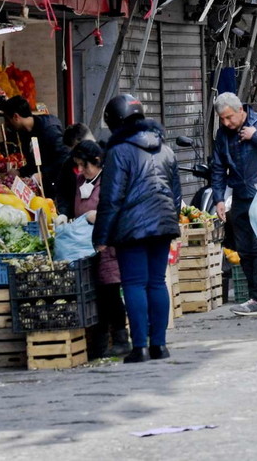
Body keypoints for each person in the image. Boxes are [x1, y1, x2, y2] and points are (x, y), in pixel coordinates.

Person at [93, 95, 182, 364]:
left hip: (131, 228)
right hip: (164, 225)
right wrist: (170, 221)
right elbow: (176, 195)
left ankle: (140, 347)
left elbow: (111, 198)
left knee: (134, 284)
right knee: (156, 282)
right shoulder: (165, 149)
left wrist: (102, 236)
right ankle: (160, 345)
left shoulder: (119, 151)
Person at [63, 140, 129, 359]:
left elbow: (117, 211)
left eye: (85, 165)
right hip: (84, 248)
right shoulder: (80, 181)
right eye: (78, 166)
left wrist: (98, 219)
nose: (81, 170)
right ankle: (98, 345)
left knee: (110, 294)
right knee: (96, 297)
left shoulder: (109, 180)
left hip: (106, 247)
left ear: (97, 161)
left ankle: (121, 339)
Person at [210, 92, 257, 317]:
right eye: (223, 119)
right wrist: (218, 198)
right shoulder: (223, 134)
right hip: (238, 194)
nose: (227, 123)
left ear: (240, 110)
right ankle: (255, 297)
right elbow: (218, 167)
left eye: (229, 118)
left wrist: (256, 137)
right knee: (244, 249)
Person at [2, 96, 68, 197]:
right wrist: (20, 172)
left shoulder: (49, 130)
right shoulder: (24, 133)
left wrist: (43, 175)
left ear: (16, 117)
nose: (7, 124)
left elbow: (65, 158)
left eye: (8, 119)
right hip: (42, 188)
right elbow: (34, 163)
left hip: (59, 188)